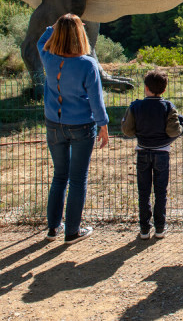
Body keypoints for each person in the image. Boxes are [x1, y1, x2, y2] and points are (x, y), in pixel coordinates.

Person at [38, 13, 109, 245]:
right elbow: (96, 100)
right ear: (81, 34)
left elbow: (41, 42)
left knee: (59, 176)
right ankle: (72, 231)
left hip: (54, 125)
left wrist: (53, 27)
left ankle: (52, 228)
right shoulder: (87, 64)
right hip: (81, 126)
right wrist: (103, 125)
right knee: (78, 179)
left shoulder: (48, 58)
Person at [121, 69, 183, 239]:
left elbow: (127, 131)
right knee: (160, 191)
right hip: (162, 154)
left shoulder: (135, 106)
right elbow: (173, 132)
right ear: (164, 89)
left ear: (145, 87)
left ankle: (144, 228)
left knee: (143, 191)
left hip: (142, 151)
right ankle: (160, 227)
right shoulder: (168, 107)